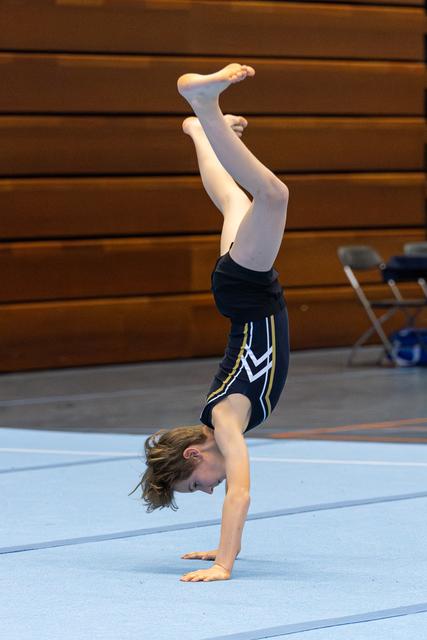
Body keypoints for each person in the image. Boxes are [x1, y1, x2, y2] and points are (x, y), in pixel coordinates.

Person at [129, 63, 290, 582]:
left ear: (195, 453)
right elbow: (233, 487)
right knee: (234, 200)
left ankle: (203, 104)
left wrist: (225, 562)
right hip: (239, 294)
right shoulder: (224, 417)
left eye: (196, 484)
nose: (211, 488)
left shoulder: (224, 420)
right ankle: (200, 129)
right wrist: (219, 551)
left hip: (248, 293)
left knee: (273, 195)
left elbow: (241, 491)